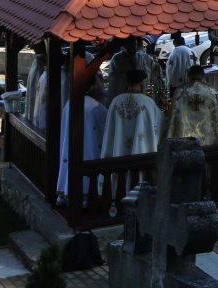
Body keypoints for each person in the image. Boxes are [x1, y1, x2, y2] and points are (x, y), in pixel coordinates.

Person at [55, 78, 107, 206]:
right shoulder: (97, 107)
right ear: (92, 87)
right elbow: (105, 128)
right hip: (91, 146)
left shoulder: (70, 103)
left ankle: (64, 193)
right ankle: (85, 197)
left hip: (72, 145)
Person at [101, 69, 162, 159]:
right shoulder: (148, 102)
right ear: (141, 83)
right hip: (141, 154)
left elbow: (109, 128)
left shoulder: (116, 101)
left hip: (118, 154)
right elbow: (160, 124)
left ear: (126, 82)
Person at [165, 65, 218, 146]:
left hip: (184, 137)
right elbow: (216, 108)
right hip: (206, 136)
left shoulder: (180, 91)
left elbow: (173, 113)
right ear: (203, 75)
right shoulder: (211, 91)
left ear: (189, 75)